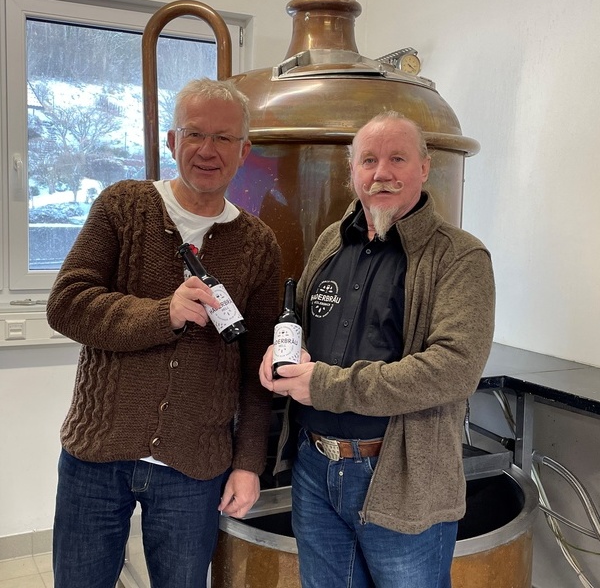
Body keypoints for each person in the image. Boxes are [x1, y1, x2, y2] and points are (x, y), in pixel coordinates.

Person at [46, 78, 281, 588]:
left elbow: (257, 366)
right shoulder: (123, 207)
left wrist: (248, 464)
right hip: (97, 453)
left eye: (223, 138)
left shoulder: (257, 243)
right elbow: (66, 305)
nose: (207, 150)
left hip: (195, 465)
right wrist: (163, 314)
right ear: (172, 141)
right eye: (194, 134)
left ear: (244, 151)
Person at [259, 111, 495, 588]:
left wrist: (324, 385)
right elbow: (301, 326)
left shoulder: (459, 256)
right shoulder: (330, 241)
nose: (381, 172)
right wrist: (279, 355)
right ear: (352, 171)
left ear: (425, 168)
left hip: (401, 475)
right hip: (314, 468)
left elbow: (453, 369)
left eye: (397, 159)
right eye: (368, 160)